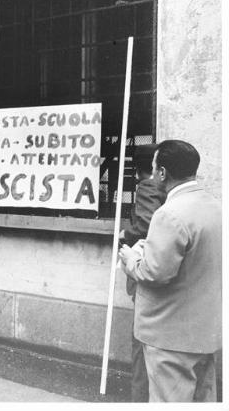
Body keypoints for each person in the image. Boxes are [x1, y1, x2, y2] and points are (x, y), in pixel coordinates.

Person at [118, 140, 221, 402]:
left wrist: (131, 258)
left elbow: (154, 273)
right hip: (205, 331)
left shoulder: (169, 214)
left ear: (163, 173)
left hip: (170, 336)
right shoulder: (215, 206)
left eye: (154, 170)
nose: (152, 176)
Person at [119, 144, 166, 402]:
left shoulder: (148, 186)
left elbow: (147, 225)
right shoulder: (168, 189)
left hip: (145, 266)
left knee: (141, 338)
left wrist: (126, 234)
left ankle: (140, 398)